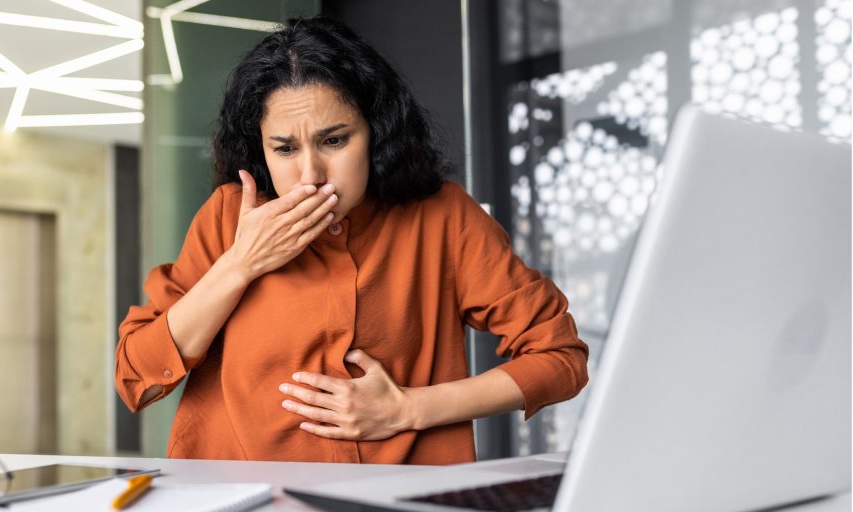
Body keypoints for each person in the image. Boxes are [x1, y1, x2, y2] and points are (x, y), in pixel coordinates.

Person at [115, 16, 588, 465]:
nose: (310, 175)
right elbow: (137, 378)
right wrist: (240, 264)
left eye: (335, 141)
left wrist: (408, 408)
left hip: (395, 498)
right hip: (240, 496)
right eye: (284, 148)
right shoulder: (227, 216)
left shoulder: (442, 217)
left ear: (376, 133)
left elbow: (560, 360)